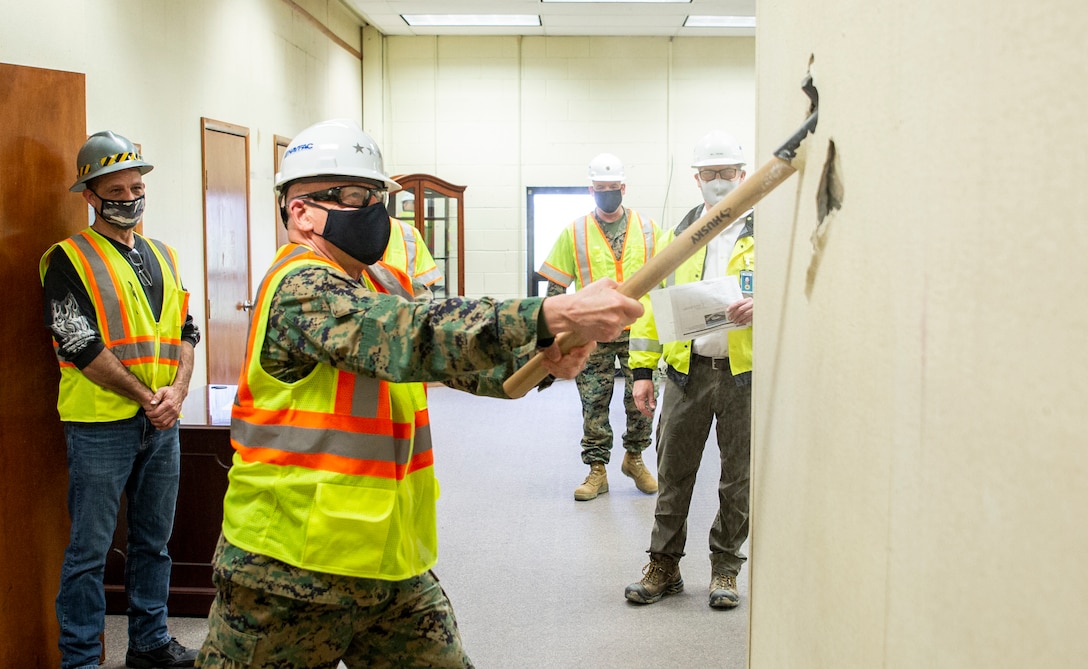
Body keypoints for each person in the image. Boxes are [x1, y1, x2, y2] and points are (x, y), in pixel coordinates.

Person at [196, 119, 643, 668]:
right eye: (355, 197)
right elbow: (411, 334)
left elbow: (448, 360)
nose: (373, 212)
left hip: (391, 563)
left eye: (376, 196)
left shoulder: (380, 281)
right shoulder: (300, 286)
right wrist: (549, 313)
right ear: (300, 210)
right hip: (287, 571)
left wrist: (543, 361)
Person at [39, 131, 201, 668]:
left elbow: (186, 332)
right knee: (89, 552)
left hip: (162, 423)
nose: (130, 198)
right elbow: (80, 345)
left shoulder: (164, 255)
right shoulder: (66, 260)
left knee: (154, 542)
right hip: (99, 424)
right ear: (89, 195)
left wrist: (176, 394)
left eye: (137, 187)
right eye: (116, 189)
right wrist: (147, 398)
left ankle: (151, 643)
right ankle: (82, 658)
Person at [624, 130, 755, 609]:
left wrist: (763, 302)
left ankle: (725, 568)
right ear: (696, 179)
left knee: (737, 477)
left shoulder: (767, 233)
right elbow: (650, 307)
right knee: (673, 472)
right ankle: (664, 565)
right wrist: (641, 371)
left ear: (743, 175)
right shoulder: (675, 237)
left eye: (729, 174)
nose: (720, 182)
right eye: (711, 174)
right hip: (687, 371)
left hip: (744, 373)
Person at [537, 153, 663, 501]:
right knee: (594, 402)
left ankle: (635, 458)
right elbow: (554, 285)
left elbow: (668, 281)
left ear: (624, 188)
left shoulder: (650, 229)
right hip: (592, 333)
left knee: (641, 401)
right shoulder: (575, 231)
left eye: (613, 188)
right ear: (591, 190)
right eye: (600, 189)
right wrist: (554, 332)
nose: (607, 193)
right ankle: (597, 470)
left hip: (638, 332)